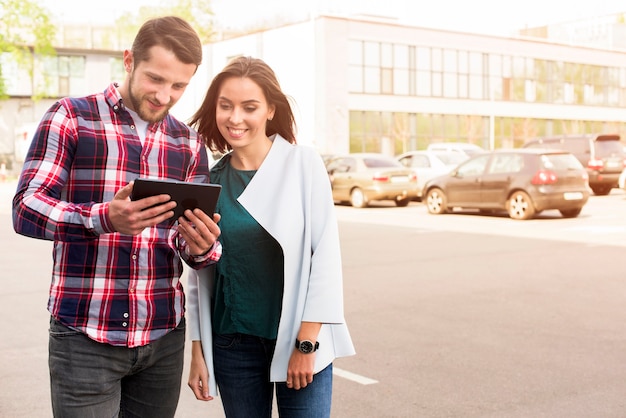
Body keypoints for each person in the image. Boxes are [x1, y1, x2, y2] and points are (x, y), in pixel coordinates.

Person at [12, 16, 222, 418]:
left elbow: (186, 245)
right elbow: (26, 207)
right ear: (129, 61)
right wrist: (103, 218)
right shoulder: (71, 117)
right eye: (155, 79)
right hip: (84, 337)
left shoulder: (188, 143)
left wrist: (203, 245)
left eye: (179, 86)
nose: (165, 95)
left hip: (163, 337)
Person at [186, 56, 355, 417]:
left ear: (270, 110)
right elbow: (200, 277)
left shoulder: (302, 165)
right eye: (226, 106)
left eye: (249, 107)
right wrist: (198, 351)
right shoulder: (209, 182)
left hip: (299, 338)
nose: (235, 118)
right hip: (233, 344)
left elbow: (324, 258)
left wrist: (306, 343)